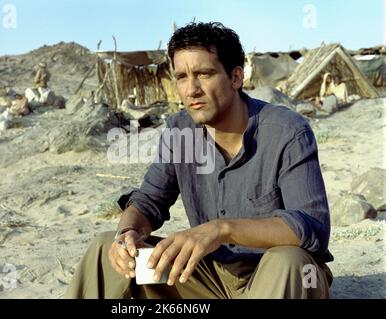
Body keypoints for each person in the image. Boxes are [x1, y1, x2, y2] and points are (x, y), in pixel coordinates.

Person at [66, 22, 333, 299]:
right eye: (181, 77)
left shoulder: (287, 131)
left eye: (204, 74)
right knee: (104, 248)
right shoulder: (180, 131)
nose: (191, 90)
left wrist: (222, 230)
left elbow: (312, 227)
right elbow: (149, 201)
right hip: (208, 279)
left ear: (236, 77)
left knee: (289, 260)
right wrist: (126, 235)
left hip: (279, 278)